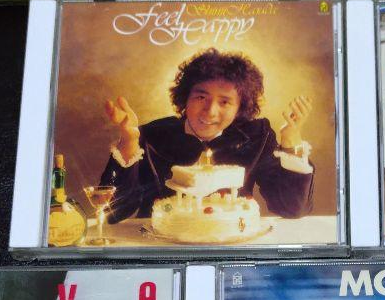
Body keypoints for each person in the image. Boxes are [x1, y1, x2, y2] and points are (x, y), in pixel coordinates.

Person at [100, 47, 315, 222]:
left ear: (240, 108)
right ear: (185, 98)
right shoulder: (152, 135)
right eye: (201, 97)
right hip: (161, 246)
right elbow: (114, 213)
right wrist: (129, 143)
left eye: (224, 102)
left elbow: (291, 209)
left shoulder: (257, 136)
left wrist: (291, 143)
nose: (210, 112)